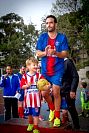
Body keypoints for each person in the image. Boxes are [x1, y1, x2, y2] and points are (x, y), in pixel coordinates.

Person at [36, 15, 69, 127]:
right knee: (44, 92)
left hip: (57, 70)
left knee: (55, 91)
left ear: (55, 24)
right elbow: (37, 53)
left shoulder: (62, 37)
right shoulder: (42, 37)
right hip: (45, 71)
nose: (48, 25)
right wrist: (45, 53)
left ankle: (57, 117)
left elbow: (65, 53)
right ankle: (52, 109)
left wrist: (56, 53)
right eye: (47, 23)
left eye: (51, 22)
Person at [20, 57, 50, 133]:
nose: (36, 66)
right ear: (28, 67)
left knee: (36, 115)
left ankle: (36, 128)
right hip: (28, 100)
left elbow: (46, 84)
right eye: (34, 65)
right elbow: (22, 86)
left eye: (36, 65)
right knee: (29, 115)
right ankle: (30, 124)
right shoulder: (24, 76)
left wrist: (48, 86)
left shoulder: (39, 76)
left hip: (36, 100)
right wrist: (27, 85)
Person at [61, 58, 80, 130]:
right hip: (60, 91)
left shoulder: (67, 62)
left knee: (71, 109)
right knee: (63, 110)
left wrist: (72, 90)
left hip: (68, 91)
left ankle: (77, 127)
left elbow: (75, 76)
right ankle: (67, 126)